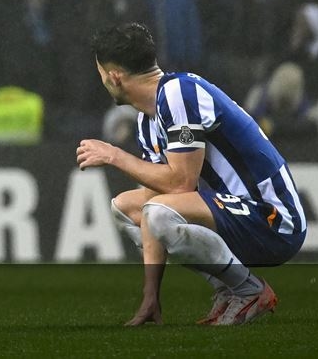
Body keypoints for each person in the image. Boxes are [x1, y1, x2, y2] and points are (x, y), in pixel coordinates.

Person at [78, 22, 306, 326]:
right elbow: (160, 203)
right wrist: (151, 295)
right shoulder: (148, 122)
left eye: (100, 73)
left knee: (158, 212)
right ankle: (228, 289)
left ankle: (249, 290)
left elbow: (181, 183)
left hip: (274, 219)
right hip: (232, 213)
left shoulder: (177, 93)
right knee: (125, 208)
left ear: (114, 76)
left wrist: (115, 155)